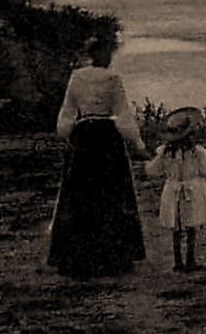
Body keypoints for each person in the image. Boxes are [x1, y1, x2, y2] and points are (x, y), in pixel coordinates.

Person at [48, 34, 148, 278]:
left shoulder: (77, 77)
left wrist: (64, 134)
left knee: (80, 194)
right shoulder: (113, 78)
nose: (109, 58)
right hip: (106, 139)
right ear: (100, 54)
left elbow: (67, 112)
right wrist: (137, 144)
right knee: (111, 192)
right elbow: (123, 114)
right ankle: (112, 257)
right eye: (107, 53)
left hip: (82, 138)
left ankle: (78, 256)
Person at [145, 106, 206, 271]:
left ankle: (179, 261)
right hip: (188, 189)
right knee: (189, 226)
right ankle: (188, 260)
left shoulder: (166, 152)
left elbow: (153, 170)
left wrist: (149, 162)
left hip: (174, 190)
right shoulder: (197, 152)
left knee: (178, 227)